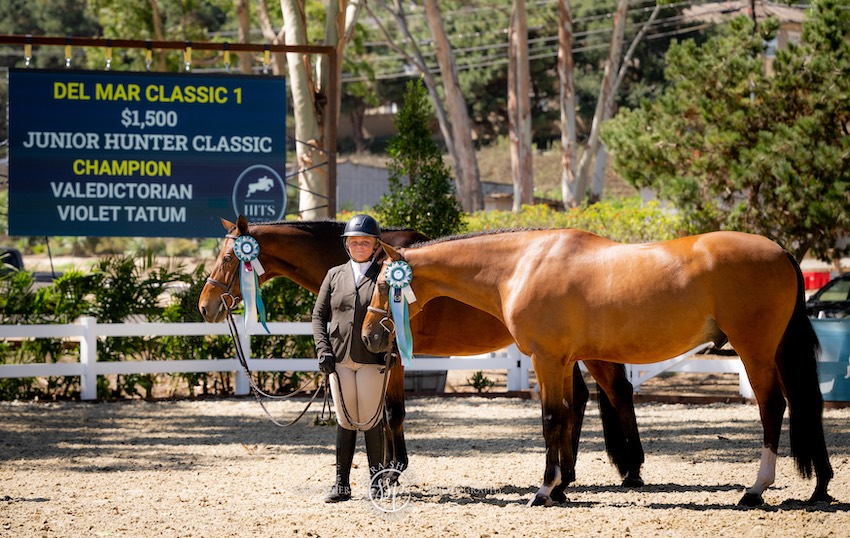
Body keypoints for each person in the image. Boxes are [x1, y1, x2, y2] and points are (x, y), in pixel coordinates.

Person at [312, 214, 388, 503]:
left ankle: (377, 482)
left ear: (375, 244)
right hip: (340, 357)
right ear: (347, 245)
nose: (359, 245)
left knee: (370, 419)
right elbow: (319, 316)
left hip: (372, 358)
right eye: (354, 241)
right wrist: (323, 350)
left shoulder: (385, 274)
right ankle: (341, 485)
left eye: (365, 241)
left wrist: (391, 349)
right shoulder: (334, 275)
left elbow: (397, 316)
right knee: (345, 419)